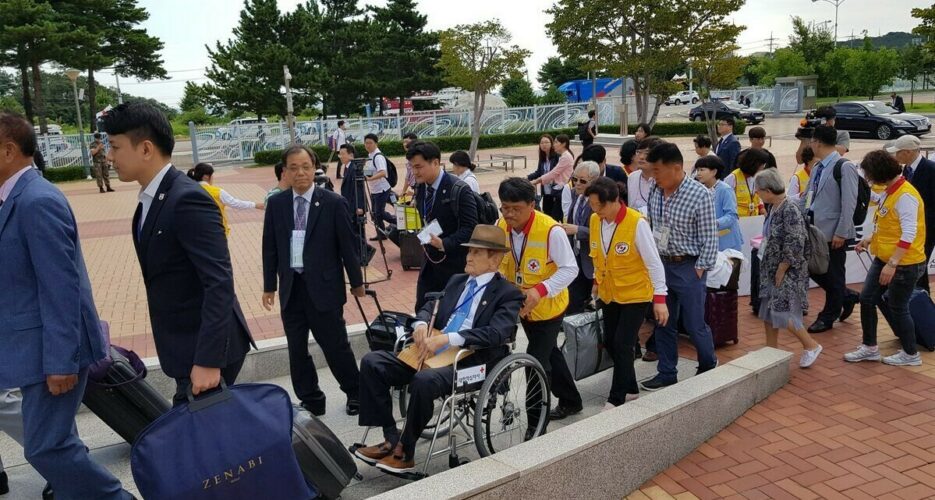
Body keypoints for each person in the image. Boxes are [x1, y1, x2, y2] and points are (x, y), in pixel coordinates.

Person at [0, 111, 132, 499]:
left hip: (51, 352)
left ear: (8, 151)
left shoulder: (36, 200)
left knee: (46, 446)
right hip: (31, 347)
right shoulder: (14, 199)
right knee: (55, 441)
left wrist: (60, 361)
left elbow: (62, 288)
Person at [101, 102, 254, 405]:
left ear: (146, 149)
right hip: (187, 347)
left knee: (203, 444)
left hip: (207, 354)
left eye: (115, 147)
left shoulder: (186, 199)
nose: (109, 157)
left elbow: (219, 282)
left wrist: (209, 360)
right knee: (201, 443)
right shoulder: (154, 197)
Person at [354, 225, 525, 474]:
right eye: (469, 251)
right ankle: (391, 436)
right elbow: (430, 304)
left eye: (477, 252)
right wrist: (421, 324)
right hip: (433, 350)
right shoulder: (457, 281)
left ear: (495, 259)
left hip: (472, 360)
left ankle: (406, 450)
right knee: (372, 362)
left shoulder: (508, 293)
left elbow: (497, 333)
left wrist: (449, 338)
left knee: (424, 381)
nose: (468, 257)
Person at [262, 145, 365, 416]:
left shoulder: (332, 202)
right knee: (297, 350)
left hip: (324, 288)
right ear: (284, 171)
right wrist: (269, 286)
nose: (300, 173)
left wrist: (357, 282)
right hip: (292, 289)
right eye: (293, 168)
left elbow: (348, 247)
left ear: (315, 168)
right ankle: (311, 399)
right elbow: (269, 246)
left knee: (336, 346)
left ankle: (355, 392)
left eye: (306, 167)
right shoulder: (276, 204)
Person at [496, 178, 583, 424]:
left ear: (531, 205)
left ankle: (535, 424)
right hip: (522, 306)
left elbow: (569, 269)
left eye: (516, 208)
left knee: (535, 361)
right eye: (505, 207)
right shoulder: (500, 224)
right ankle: (571, 400)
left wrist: (539, 291)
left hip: (548, 307)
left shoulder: (551, 230)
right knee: (549, 351)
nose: (509, 214)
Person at [641, 142, 719, 390]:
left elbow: (710, 237)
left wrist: (699, 269)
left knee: (695, 323)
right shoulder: (655, 189)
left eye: (657, 171)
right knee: (663, 321)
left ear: (676, 168)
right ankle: (667, 372)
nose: (653, 176)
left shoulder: (700, 194)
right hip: (661, 264)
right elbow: (653, 225)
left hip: (688, 266)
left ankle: (707, 364)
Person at [585, 177, 668, 408]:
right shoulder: (595, 220)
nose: (595, 210)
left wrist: (660, 299)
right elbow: (598, 255)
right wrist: (595, 281)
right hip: (609, 292)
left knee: (623, 344)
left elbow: (654, 263)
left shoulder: (636, 223)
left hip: (636, 294)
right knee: (611, 342)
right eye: (592, 205)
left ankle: (617, 397)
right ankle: (631, 387)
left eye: (598, 206)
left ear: (614, 201)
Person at [845, 151, 927, 366]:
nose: (869, 180)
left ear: (879, 173)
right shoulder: (890, 192)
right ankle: (870, 347)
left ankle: (911, 354)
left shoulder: (905, 195)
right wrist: (870, 240)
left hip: (904, 263)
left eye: (870, 175)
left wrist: (892, 264)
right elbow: (888, 225)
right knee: (867, 299)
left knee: (898, 307)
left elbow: (908, 233)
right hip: (885, 257)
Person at [754, 169, 823, 367]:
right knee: (768, 309)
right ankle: (771, 350)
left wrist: (782, 268)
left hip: (786, 269)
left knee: (782, 311)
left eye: (759, 191)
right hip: (771, 265)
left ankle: (810, 345)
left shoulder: (789, 208)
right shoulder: (775, 206)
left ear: (768, 190)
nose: (758, 194)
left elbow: (795, 241)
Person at [799, 125, 861, 334]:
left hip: (833, 231)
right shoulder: (818, 167)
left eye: (811, 142)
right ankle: (846, 296)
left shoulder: (844, 167)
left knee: (833, 273)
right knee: (813, 267)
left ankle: (828, 315)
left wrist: (842, 232)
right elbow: (808, 195)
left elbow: (849, 203)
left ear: (817, 142)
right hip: (813, 229)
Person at [412, 141, 479, 311]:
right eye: (412, 167)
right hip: (429, 263)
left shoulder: (459, 189)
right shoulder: (421, 188)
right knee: (423, 309)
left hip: (455, 267)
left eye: (419, 167)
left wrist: (445, 244)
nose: (415, 172)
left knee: (449, 314)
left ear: (435, 162)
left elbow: (471, 228)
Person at [887, 135, 935, 291]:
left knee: (919, 265)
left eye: (898, 152)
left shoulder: (930, 169)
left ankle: (922, 302)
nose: (896, 156)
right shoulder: (906, 169)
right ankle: (919, 299)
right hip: (913, 227)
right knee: (918, 267)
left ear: (907, 152)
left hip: (927, 227)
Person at [562, 161, 601, 315]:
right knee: (573, 297)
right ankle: (572, 327)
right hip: (575, 255)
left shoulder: (599, 201)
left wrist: (577, 230)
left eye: (583, 181)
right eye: (575, 179)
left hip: (592, 259)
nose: (577, 184)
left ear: (594, 181)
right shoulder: (574, 195)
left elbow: (601, 230)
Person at [187, 162, 264, 237]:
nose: (213, 178)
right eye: (212, 175)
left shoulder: (189, 190)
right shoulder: (217, 192)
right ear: (206, 177)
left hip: (197, 231)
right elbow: (235, 203)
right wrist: (254, 205)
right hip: (216, 230)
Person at [694, 155, 743, 252]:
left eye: (702, 170)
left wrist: (713, 223)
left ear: (714, 172)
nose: (698, 173)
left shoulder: (725, 189)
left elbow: (732, 215)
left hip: (727, 243)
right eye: (697, 170)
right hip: (710, 243)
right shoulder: (701, 189)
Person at [529, 134, 573, 222]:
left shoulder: (563, 157)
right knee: (549, 214)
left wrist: (536, 181)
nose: (554, 144)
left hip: (559, 190)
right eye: (541, 143)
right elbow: (539, 172)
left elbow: (553, 173)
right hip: (550, 190)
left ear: (563, 144)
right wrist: (527, 178)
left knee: (555, 217)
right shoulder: (545, 157)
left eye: (555, 142)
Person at [363, 133, 396, 240]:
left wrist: (370, 178)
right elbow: (368, 172)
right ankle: (381, 234)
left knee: (379, 213)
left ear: (376, 143)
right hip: (374, 189)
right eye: (366, 143)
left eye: (370, 143)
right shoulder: (370, 156)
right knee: (375, 214)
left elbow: (383, 173)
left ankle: (398, 222)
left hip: (382, 189)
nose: (368, 145)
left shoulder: (378, 157)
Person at [724, 148, 769, 217]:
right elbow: (725, 201)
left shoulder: (756, 177)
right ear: (754, 164)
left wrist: (762, 208)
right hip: (738, 221)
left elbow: (757, 196)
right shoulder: (733, 178)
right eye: (762, 165)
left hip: (753, 220)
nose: (763, 168)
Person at [627, 136, 663, 212]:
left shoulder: (665, 180)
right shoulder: (632, 177)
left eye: (647, 153)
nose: (641, 157)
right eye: (638, 152)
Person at [400, 132, 419, 199]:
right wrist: (404, 190)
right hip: (415, 186)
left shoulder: (417, 156)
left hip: (419, 185)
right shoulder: (409, 156)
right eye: (404, 142)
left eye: (407, 142)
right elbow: (408, 175)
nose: (405, 144)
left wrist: (415, 194)